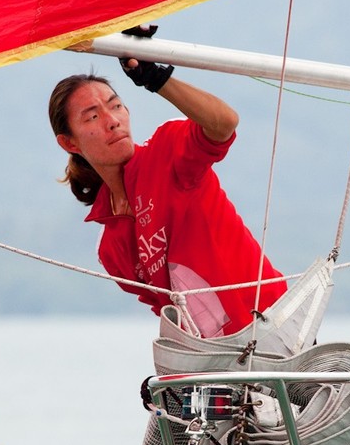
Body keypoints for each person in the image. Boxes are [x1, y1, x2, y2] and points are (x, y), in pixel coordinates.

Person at [48, 37, 287, 338]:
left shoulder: (166, 150)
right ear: (70, 143)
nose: (112, 121)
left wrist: (156, 78)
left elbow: (224, 123)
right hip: (222, 364)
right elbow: (173, 318)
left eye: (116, 106)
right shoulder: (110, 249)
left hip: (277, 330)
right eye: (93, 117)